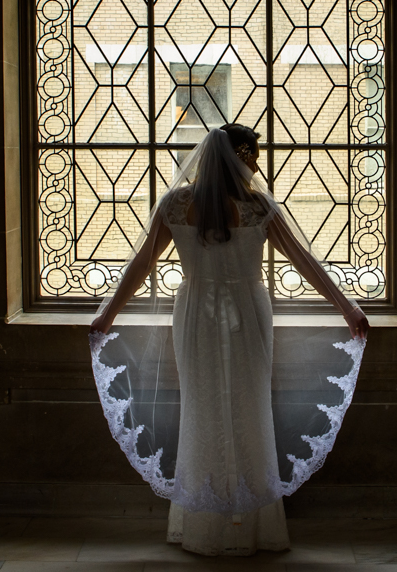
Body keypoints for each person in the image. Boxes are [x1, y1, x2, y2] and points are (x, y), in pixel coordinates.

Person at [89, 124, 369, 556]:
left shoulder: (178, 204)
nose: (256, 164)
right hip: (245, 309)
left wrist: (108, 312)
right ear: (241, 156)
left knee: (211, 408)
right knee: (239, 407)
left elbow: (142, 265)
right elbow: (305, 261)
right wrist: (346, 306)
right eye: (253, 155)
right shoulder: (256, 206)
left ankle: (210, 526)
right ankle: (244, 528)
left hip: (198, 311)